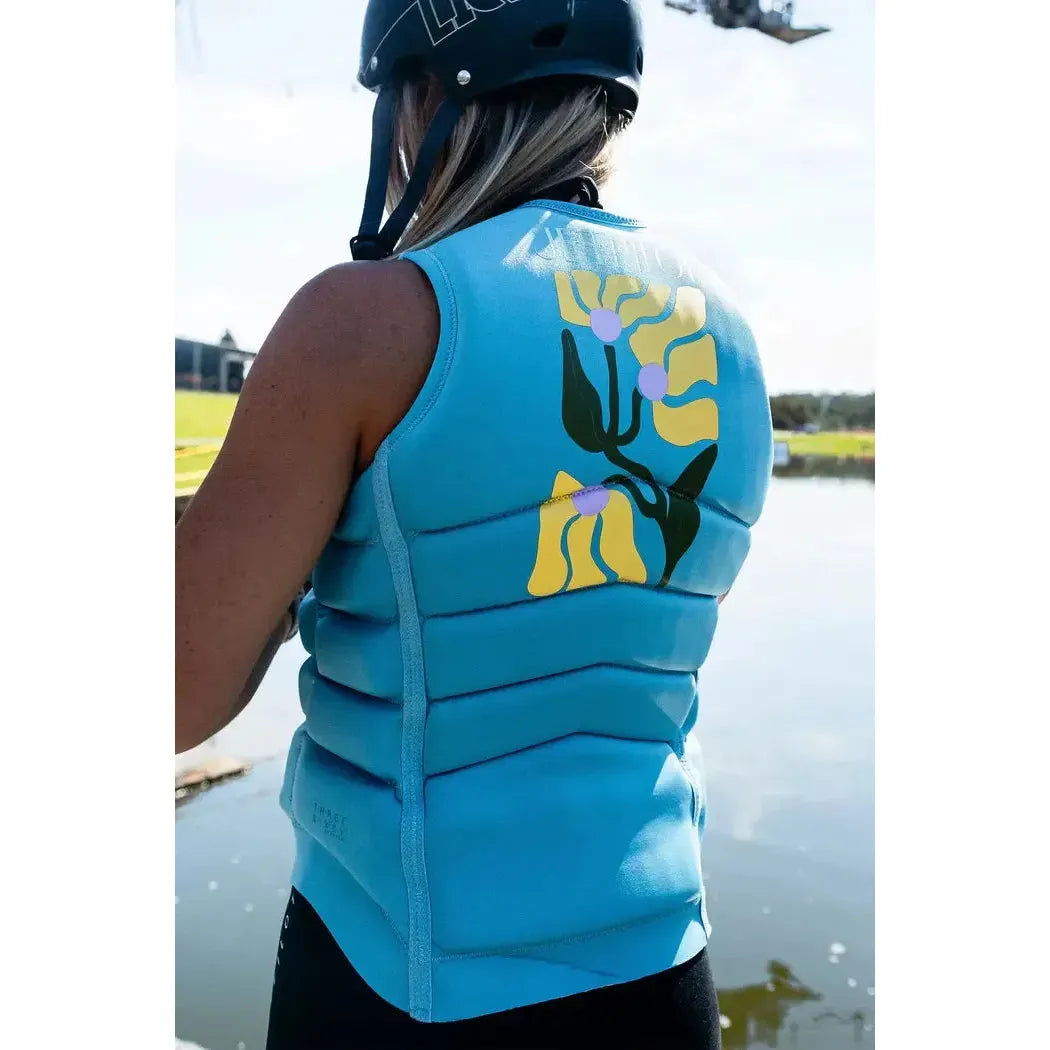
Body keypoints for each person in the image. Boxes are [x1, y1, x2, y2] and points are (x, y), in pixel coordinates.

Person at [175, 1, 773, 1047]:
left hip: (405, 983)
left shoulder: (366, 320)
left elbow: (173, 690)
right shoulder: (732, 340)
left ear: (421, 99)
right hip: (664, 976)